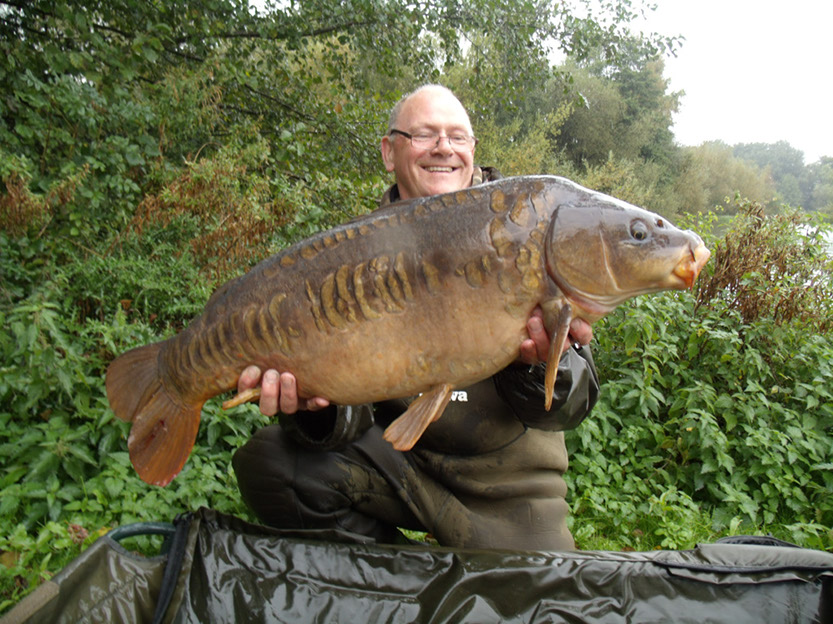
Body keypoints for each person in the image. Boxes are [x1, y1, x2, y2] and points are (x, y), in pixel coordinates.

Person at [232, 85, 599, 550]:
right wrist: (315, 406)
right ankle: (399, 576)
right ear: (390, 151)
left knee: (529, 604)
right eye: (424, 134)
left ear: (472, 151)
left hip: (508, 489)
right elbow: (351, 414)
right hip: (404, 468)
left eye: (457, 137)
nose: (444, 147)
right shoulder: (355, 255)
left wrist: (538, 362)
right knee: (273, 464)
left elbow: (573, 406)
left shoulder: (530, 229)